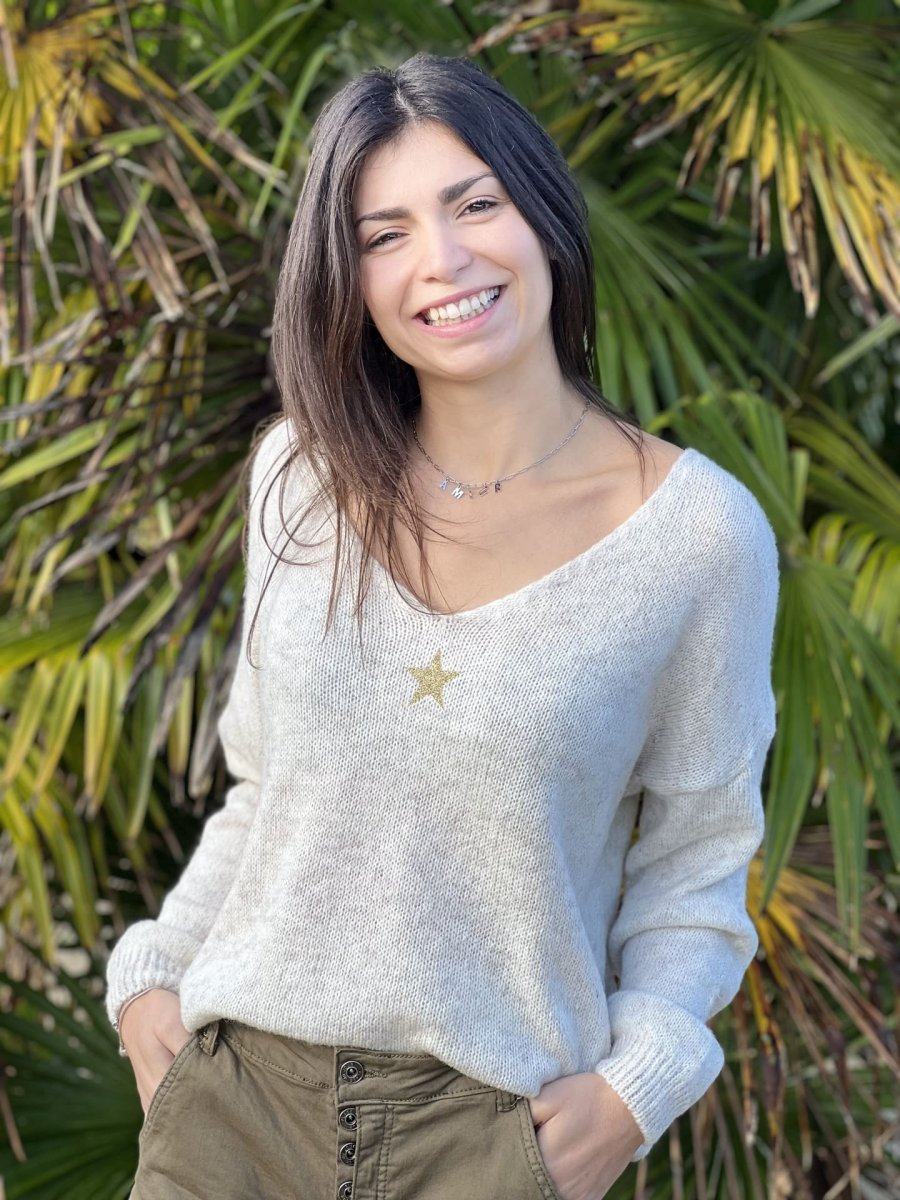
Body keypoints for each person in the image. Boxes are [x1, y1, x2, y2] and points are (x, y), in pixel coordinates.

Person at [106, 51, 779, 1200]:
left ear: (544, 215)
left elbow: (697, 860)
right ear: (350, 277)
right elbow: (267, 789)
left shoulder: (697, 538)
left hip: (490, 1136)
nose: (444, 260)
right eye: (386, 234)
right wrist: (151, 975)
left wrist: (638, 1086)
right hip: (232, 1113)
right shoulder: (300, 479)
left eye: (476, 204)